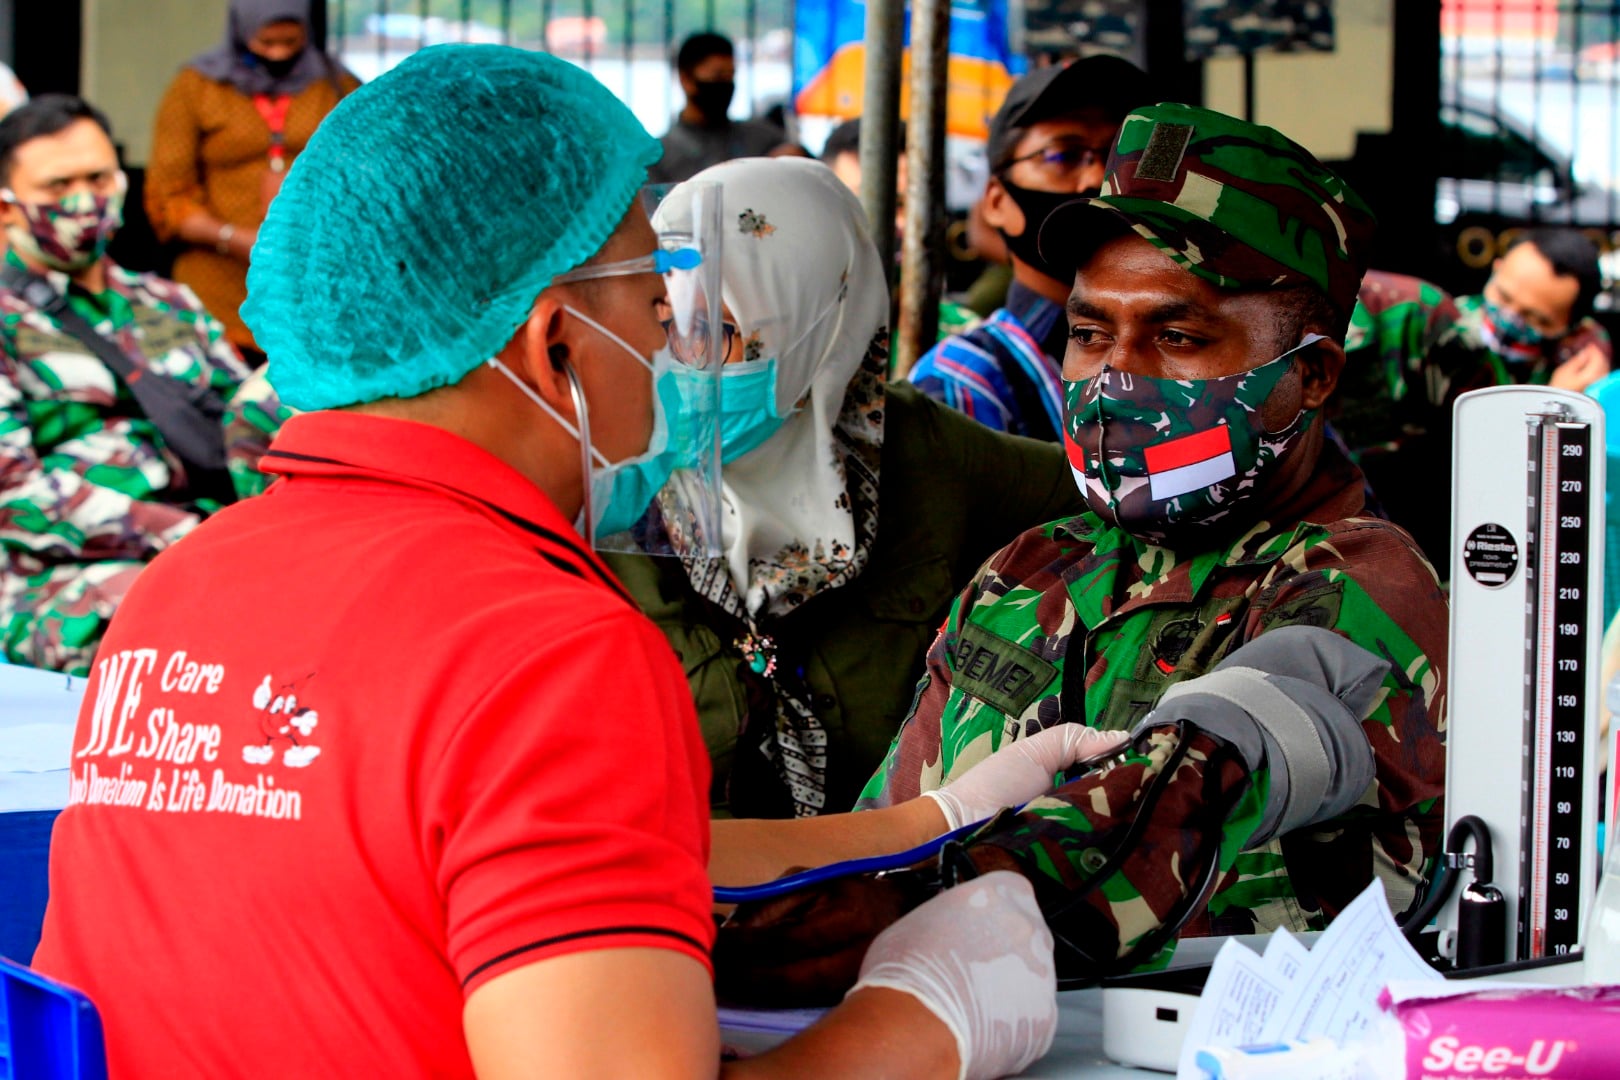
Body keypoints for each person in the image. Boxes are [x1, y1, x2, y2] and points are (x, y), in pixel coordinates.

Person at [33, 45, 1092, 1079]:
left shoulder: (185, 586)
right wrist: (917, 1029)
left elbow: (469, 851)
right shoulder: (546, 652)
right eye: (658, 302)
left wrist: (926, 820)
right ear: (557, 345)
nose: (672, 345)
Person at [710, 105, 1449, 1003]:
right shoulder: (1032, 568)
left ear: (1314, 373)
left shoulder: (1354, 591)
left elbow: (1148, 824)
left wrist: (775, 949)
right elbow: (883, 832)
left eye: (1177, 339)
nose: (1115, 378)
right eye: (1092, 334)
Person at [602, 157, 1082, 818]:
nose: (673, 362)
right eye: (658, 321)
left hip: (893, 897)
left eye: (713, 331)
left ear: (815, 328)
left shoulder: (920, 453)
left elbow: (1111, 501)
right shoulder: (606, 487)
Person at [0, 94, 247, 675]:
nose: (84, 201)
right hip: (61, 578)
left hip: (213, 544)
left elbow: (251, 421)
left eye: (98, 177)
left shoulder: (169, 303)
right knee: (189, 624)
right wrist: (171, 534)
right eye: (58, 188)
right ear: (6, 208)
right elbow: (11, 496)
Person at [906, 55, 1151, 440]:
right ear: (996, 201)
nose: (1096, 178)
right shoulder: (965, 384)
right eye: (1062, 156)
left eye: (1118, 157)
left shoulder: (1176, 352)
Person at [146, 0, 358, 363]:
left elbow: (361, 175)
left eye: (290, 43)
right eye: (266, 44)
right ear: (242, 32)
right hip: (218, 286)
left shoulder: (336, 84)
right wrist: (234, 239)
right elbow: (169, 195)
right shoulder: (196, 87)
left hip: (309, 283)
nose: (278, 54)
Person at [1455, 228, 1612, 393]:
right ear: (1496, 269)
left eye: (1535, 318)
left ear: (1570, 328)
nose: (1508, 317)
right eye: (1503, 296)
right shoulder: (1443, 327)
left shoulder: (1580, 359)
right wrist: (1552, 401)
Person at [647, 33, 788, 185]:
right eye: (718, 75)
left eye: (730, 75)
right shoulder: (658, 156)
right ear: (686, 80)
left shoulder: (760, 137)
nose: (725, 85)